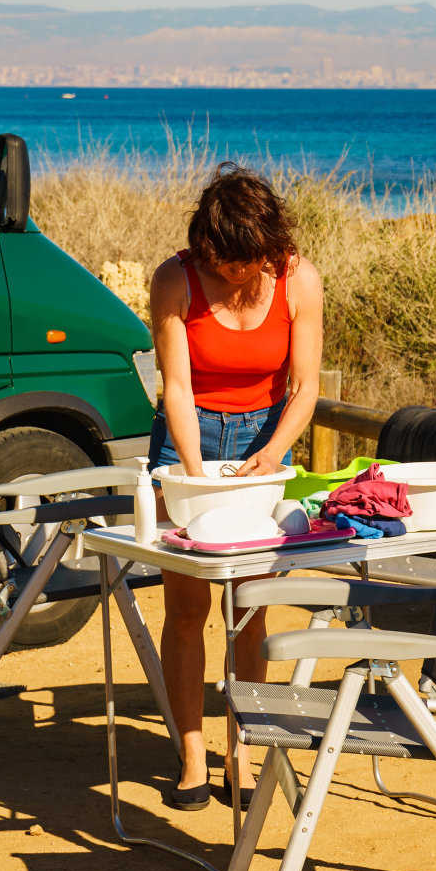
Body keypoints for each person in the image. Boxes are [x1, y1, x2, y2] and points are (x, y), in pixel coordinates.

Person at [147, 162, 324, 810]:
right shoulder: (176, 278)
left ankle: (241, 751)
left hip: (263, 437)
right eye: (216, 262)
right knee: (189, 606)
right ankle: (193, 753)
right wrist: (194, 477)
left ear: (267, 250)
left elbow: (305, 387)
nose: (227, 275)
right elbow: (177, 387)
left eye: (239, 265)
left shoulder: (298, 279)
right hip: (186, 434)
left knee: (249, 610)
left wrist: (274, 451)